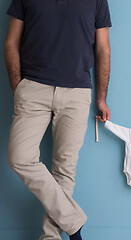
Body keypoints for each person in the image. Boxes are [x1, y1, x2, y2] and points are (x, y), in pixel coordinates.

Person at [4, 0, 112, 239]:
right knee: (20, 157)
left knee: (65, 170)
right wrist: (18, 86)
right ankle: (74, 222)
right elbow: (12, 41)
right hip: (33, 88)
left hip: (77, 93)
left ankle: (50, 237)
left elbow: (103, 48)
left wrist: (101, 98)